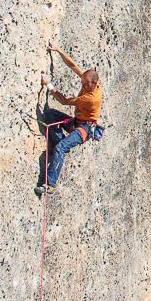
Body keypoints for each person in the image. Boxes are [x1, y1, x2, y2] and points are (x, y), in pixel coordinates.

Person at [36, 39, 102, 196]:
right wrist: (58, 50)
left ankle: (50, 185)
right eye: (82, 83)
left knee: (60, 148)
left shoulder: (91, 98)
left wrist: (49, 85)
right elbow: (73, 66)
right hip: (77, 122)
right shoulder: (89, 81)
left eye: (86, 85)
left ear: (94, 85)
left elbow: (65, 101)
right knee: (50, 114)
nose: (83, 87)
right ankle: (60, 145)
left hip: (85, 128)